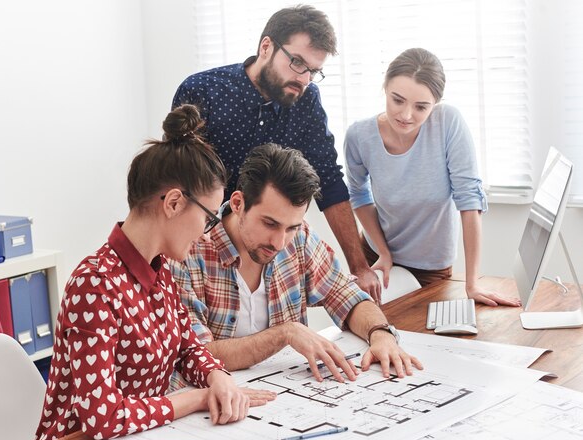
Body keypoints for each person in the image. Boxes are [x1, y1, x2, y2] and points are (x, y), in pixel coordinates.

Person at [33, 105, 274, 440]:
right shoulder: (94, 285)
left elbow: (188, 347)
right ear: (174, 203)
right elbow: (103, 417)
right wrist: (198, 398)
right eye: (207, 219)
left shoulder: (161, 272)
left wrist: (215, 375)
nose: (208, 234)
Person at [171, 5, 381, 302]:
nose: (304, 79)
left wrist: (359, 267)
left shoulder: (307, 101)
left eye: (313, 71)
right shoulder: (204, 90)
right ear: (266, 47)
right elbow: (177, 185)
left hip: (271, 250)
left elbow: (329, 181)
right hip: (202, 254)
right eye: (297, 62)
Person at [169, 143, 422, 386]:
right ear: (238, 204)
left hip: (289, 397)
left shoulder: (299, 239)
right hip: (217, 404)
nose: (280, 242)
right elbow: (196, 354)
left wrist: (381, 334)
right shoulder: (187, 253)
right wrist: (285, 333)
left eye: (291, 227)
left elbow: (345, 294)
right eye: (269, 224)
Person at [344, 48, 520, 307]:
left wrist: (472, 283)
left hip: (431, 265)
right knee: (369, 329)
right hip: (376, 254)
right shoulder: (359, 136)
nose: (405, 115)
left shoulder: (448, 123)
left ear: (435, 104)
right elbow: (358, 194)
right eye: (397, 100)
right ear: (385, 88)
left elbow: (469, 198)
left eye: (421, 107)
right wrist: (382, 250)